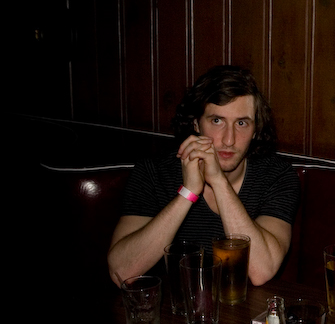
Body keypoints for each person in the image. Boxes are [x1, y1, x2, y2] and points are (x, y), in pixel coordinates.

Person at [108, 66, 301, 287]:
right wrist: (188, 193)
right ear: (196, 123)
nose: (229, 139)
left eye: (241, 123)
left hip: (243, 308)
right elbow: (121, 272)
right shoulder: (154, 172)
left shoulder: (277, 176)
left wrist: (218, 182)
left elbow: (261, 270)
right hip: (175, 306)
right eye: (217, 121)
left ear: (256, 129)